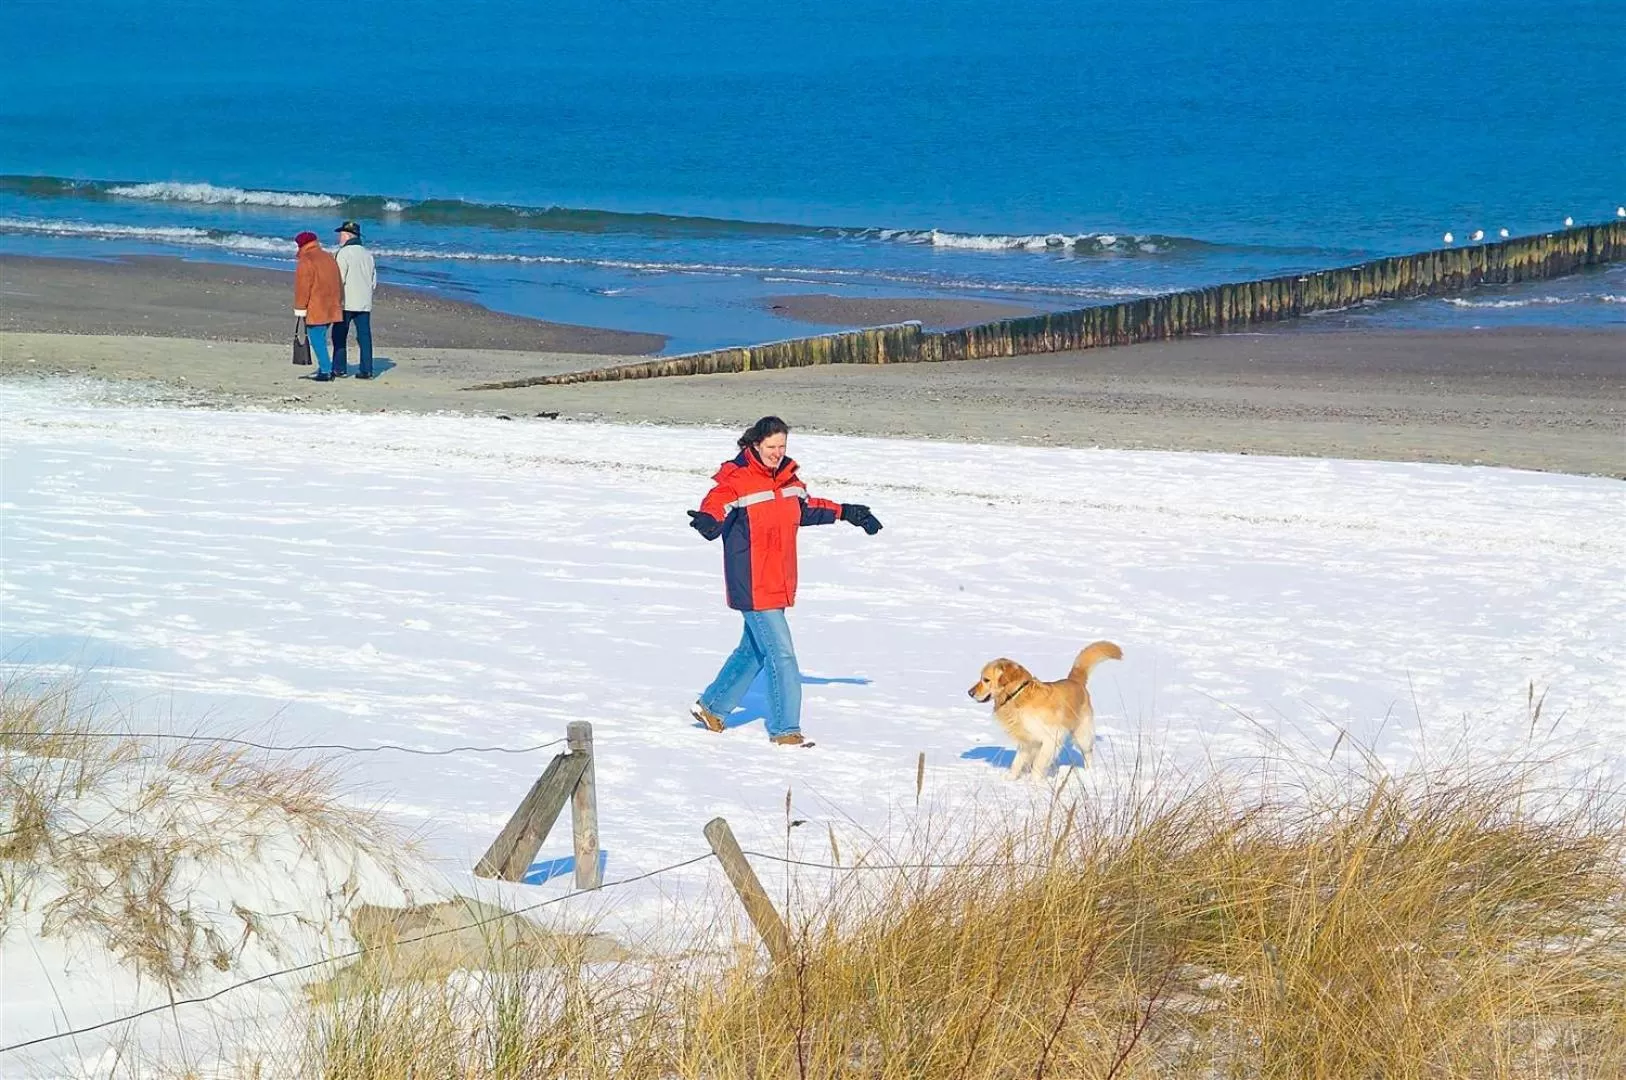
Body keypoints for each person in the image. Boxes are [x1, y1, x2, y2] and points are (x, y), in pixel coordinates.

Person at [687, 416, 883, 746]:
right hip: (751, 582)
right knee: (782, 656)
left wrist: (847, 512)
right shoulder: (737, 479)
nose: (777, 453)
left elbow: (806, 509)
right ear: (755, 444)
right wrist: (708, 519)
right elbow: (716, 503)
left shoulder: (789, 480)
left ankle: (712, 707)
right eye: (771, 446)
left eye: (782, 446)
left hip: (779, 579)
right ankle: (785, 730)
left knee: (754, 651)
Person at [292, 231, 344, 382]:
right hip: (331, 304)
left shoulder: (306, 260)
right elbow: (338, 281)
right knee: (321, 337)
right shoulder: (328, 257)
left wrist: (300, 308)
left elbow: (303, 288)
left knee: (316, 339)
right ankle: (325, 368)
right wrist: (338, 300)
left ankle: (326, 370)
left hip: (316, 306)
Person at [330, 220, 378, 379]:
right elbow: (373, 281)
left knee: (339, 334)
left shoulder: (343, 253)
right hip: (364, 301)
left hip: (346, 302)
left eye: (341, 234)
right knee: (364, 336)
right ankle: (367, 369)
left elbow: (339, 279)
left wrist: (333, 298)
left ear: (348, 235)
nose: (339, 237)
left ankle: (339, 368)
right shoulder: (367, 254)